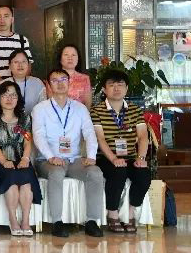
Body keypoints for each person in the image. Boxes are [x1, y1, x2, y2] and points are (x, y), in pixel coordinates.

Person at [32, 69, 104, 238]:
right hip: (47, 160)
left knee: (95, 173)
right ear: (48, 86)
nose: (60, 83)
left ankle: (92, 221)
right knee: (56, 172)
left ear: (69, 83)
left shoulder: (80, 108)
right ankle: (57, 222)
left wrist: (91, 156)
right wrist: (51, 156)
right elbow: (38, 135)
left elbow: (89, 133)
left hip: (74, 159)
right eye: (55, 80)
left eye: (63, 79)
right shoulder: (40, 109)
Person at [90, 69, 151, 233]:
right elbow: (100, 139)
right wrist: (113, 158)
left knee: (143, 175)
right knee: (118, 172)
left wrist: (141, 158)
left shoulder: (135, 110)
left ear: (126, 88)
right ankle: (113, 214)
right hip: (105, 157)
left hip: (130, 157)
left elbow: (143, 136)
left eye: (120, 84)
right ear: (104, 89)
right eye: (111, 85)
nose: (116, 88)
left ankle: (130, 213)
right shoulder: (96, 111)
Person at [0, 81, 41, 236]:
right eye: (5, 95)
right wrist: (4, 161)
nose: (9, 99)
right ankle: (13, 219)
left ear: (18, 98)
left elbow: (28, 141)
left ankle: (25, 221)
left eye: (13, 95)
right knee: (11, 180)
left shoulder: (25, 119)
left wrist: (25, 158)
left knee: (26, 182)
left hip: (20, 159)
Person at [0, 5, 33, 82]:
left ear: (12, 19)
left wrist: (20, 84)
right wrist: (4, 84)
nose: (2, 20)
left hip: (19, 85)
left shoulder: (22, 40)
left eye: (6, 16)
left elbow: (28, 65)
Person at [8, 49, 45, 114]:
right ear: (10, 66)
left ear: (28, 64)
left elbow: (44, 107)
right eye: (16, 62)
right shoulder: (3, 84)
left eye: (24, 61)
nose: (20, 65)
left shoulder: (37, 83)